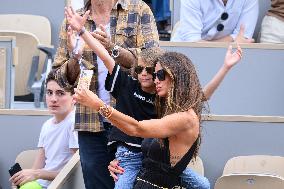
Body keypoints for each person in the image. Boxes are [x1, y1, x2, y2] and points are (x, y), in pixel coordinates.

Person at [66, 7, 243, 188]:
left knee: (202, 184)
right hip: (135, 157)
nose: (145, 74)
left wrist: (225, 68)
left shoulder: (169, 105)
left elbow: (201, 96)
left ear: (172, 77)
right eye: (139, 69)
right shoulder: (129, 85)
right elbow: (105, 57)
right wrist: (82, 32)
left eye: (155, 73)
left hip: (154, 161)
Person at [53, 0, 159, 188]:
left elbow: (154, 61)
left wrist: (112, 48)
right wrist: (75, 56)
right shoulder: (73, 20)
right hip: (91, 124)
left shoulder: (138, 9)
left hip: (132, 121)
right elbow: (61, 80)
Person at [9, 71, 78, 189]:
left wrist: (37, 174)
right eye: (49, 93)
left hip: (60, 185)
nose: (53, 99)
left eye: (60, 93)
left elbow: (75, 173)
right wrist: (25, 176)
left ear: (74, 98)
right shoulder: (47, 125)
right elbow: (37, 167)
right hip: (42, 184)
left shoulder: (74, 124)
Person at [171, 0, 259, 43]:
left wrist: (235, 41)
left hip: (227, 56)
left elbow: (243, 38)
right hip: (185, 56)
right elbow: (193, 43)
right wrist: (232, 42)